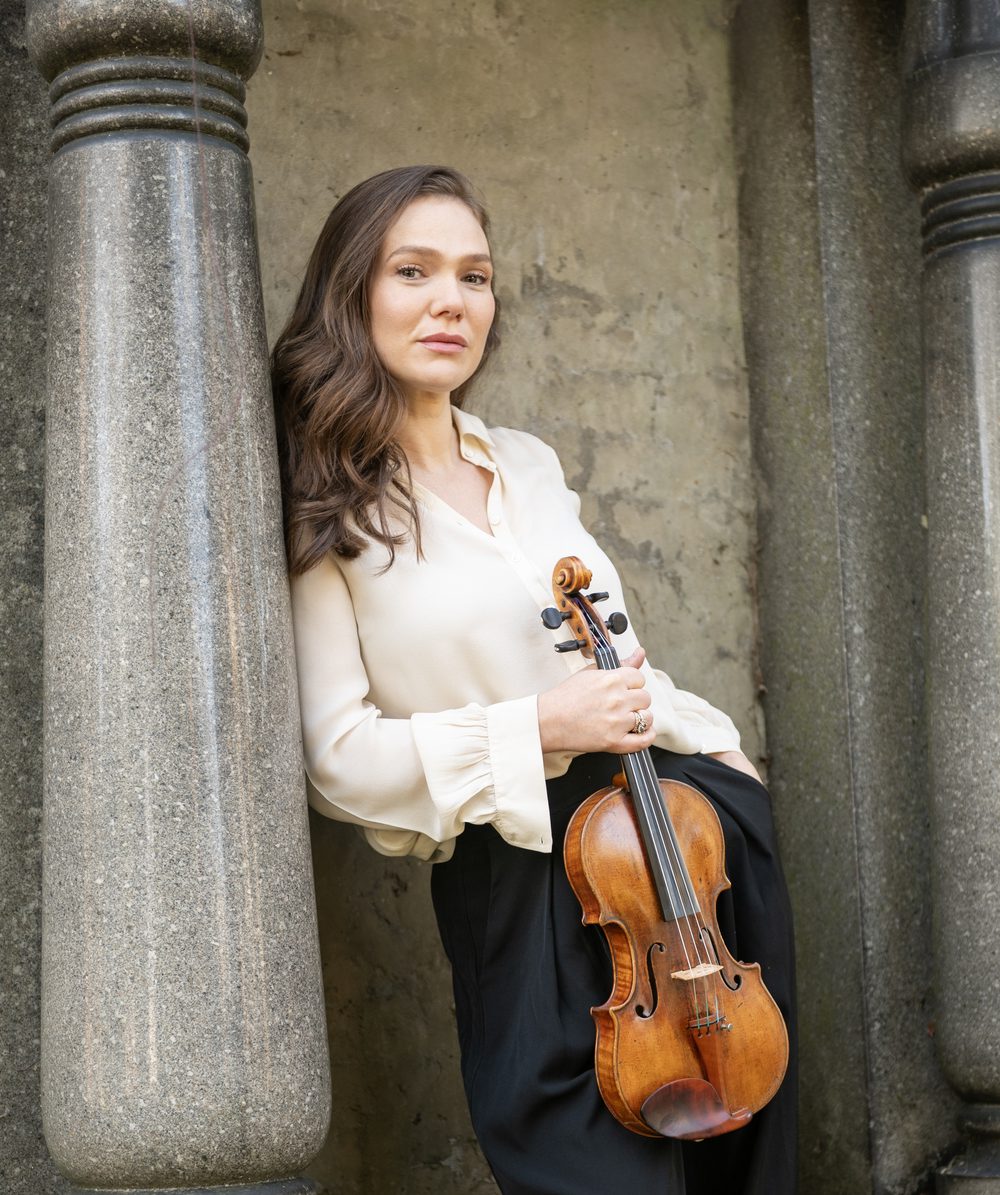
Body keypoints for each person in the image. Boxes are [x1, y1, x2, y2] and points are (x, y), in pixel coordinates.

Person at [272, 165, 797, 1194]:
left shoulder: (527, 463)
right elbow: (339, 759)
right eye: (412, 270)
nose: (449, 301)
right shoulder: (326, 503)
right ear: (353, 294)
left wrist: (721, 748)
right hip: (517, 868)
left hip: (677, 841)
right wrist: (538, 725)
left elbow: (619, 654)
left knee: (739, 1159)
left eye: (475, 275)